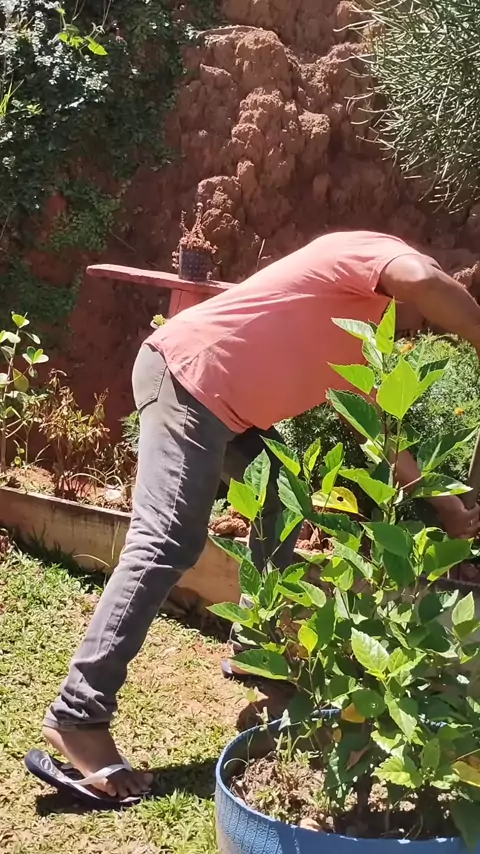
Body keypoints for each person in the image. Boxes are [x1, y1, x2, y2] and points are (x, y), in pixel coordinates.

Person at [31, 230, 480, 803]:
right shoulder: (368, 252)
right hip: (187, 378)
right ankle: (78, 713)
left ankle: (255, 647)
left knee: (284, 499)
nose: (416, 332)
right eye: (424, 320)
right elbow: (419, 278)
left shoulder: (362, 334)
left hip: (227, 410)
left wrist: (446, 505)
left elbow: (386, 439)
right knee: (167, 540)